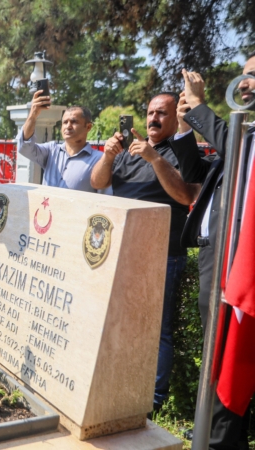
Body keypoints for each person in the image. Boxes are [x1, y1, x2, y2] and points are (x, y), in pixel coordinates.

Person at [90, 91, 200, 412]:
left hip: (162, 254)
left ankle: (153, 402)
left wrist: (154, 158)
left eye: (162, 113)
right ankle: (122, 385)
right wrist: (109, 156)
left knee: (158, 328)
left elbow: (183, 196)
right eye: (150, 112)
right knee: (121, 321)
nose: (153, 119)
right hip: (124, 252)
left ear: (174, 118)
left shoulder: (179, 151)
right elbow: (98, 182)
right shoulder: (128, 150)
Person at [173, 54, 255, 449]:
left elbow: (234, 149)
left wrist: (203, 107)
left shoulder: (246, 138)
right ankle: (213, 429)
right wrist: (186, 120)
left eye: (253, 76)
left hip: (239, 262)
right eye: (243, 76)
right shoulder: (245, 133)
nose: (244, 83)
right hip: (215, 254)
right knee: (216, 349)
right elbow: (196, 170)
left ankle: (220, 439)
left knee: (229, 354)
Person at [19, 92, 111, 194]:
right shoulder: (51, 150)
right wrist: (33, 114)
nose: (68, 126)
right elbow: (24, 146)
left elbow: (104, 198)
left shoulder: (99, 160)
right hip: (46, 209)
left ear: (88, 127)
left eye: (74, 122)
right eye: (65, 122)